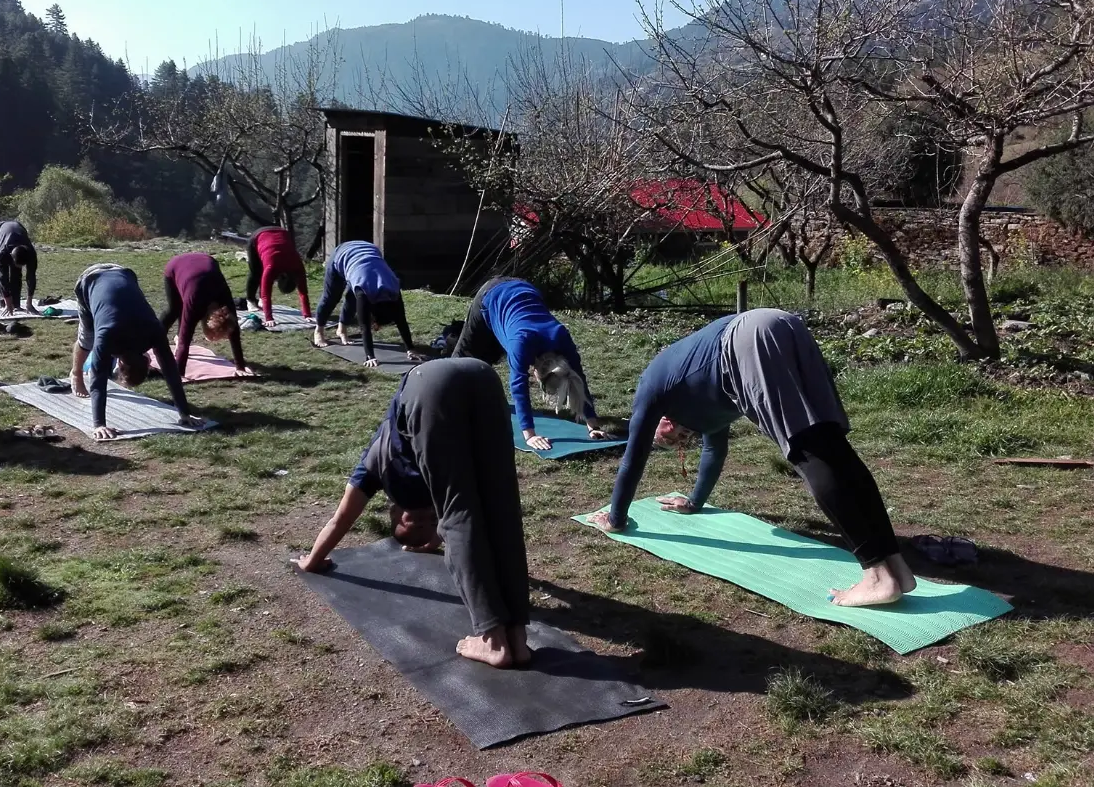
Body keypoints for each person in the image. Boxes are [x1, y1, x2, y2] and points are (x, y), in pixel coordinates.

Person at [586, 308, 916, 608]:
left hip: (746, 339)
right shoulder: (700, 408)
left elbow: (633, 458)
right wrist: (695, 501)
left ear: (659, 422)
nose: (677, 440)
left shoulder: (651, 390)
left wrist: (616, 518)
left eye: (666, 438)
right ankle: (896, 567)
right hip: (782, 325)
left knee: (808, 450)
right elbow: (715, 451)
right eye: (678, 443)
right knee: (833, 448)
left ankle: (877, 576)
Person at [295, 358, 533, 668]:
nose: (422, 521)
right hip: (482, 375)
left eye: (413, 523)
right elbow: (453, 526)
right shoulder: (435, 483)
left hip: (429, 383)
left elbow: (341, 518)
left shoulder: (374, 469)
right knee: (503, 506)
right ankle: (518, 638)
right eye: (426, 524)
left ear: (394, 512)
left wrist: (313, 560)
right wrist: (433, 539)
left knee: (459, 514)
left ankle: (494, 641)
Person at [451, 276, 607, 451]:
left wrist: (593, 426)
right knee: (463, 361)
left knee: (490, 357)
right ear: (538, 376)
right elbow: (519, 387)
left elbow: (579, 379)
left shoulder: (562, 336)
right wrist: (530, 435)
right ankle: (447, 403)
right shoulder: (522, 342)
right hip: (491, 294)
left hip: (524, 289)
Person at [70, 263, 196, 441]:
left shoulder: (154, 331)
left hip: (124, 273)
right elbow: (98, 378)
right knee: (87, 340)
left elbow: (171, 370)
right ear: (121, 363)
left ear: (147, 361)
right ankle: (76, 374)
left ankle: (78, 373)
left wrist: (185, 413)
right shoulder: (108, 336)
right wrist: (99, 424)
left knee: (96, 344)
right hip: (90, 279)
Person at [311, 239, 422, 369]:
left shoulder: (394, 290)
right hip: (343, 254)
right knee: (331, 297)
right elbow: (364, 326)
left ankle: (341, 329)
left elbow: (401, 320)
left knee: (352, 297)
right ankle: (318, 331)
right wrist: (370, 356)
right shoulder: (363, 292)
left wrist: (411, 349)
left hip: (368, 255)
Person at [161, 251, 253, 379]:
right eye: (213, 336)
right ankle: (154, 339)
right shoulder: (195, 302)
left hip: (205, 263)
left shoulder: (226, 304)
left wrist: (240, 367)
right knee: (175, 309)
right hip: (177, 266)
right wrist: (179, 374)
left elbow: (234, 331)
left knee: (185, 312)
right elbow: (185, 339)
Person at [244, 225, 313, 327]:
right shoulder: (272, 267)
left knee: (264, 274)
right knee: (255, 273)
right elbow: (266, 294)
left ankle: (262, 303)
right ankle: (250, 300)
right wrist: (269, 318)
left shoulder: (298, 267)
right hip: (258, 236)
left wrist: (307, 315)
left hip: (282, 233)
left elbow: (303, 292)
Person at [0, 219, 38, 314]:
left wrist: (29, 303)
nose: (20, 267)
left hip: (18, 230)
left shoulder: (31, 253)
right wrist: (8, 302)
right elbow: (3, 277)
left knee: (16, 273)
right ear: (11, 256)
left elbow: (31, 277)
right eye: (18, 264)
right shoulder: (2, 253)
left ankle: (16, 304)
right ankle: (3, 302)